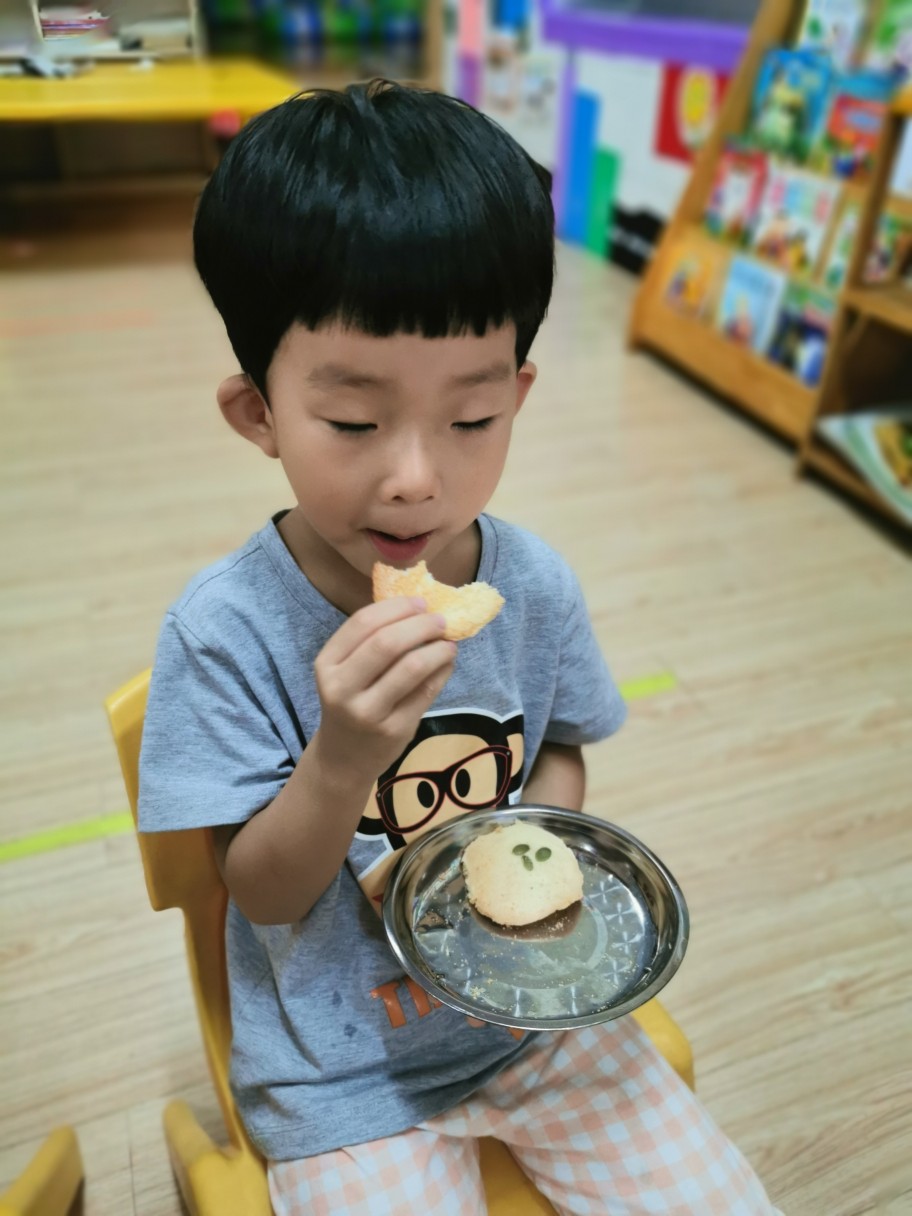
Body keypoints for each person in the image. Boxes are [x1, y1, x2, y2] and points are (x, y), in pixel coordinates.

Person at [138, 80, 782, 1216]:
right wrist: (344, 757)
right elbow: (264, 893)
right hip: (344, 1072)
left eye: (472, 419)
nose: (417, 478)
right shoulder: (225, 631)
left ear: (518, 396)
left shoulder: (529, 585)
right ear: (258, 414)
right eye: (353, 422)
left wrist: (530, 843)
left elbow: (559, 749)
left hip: (540, 1023)